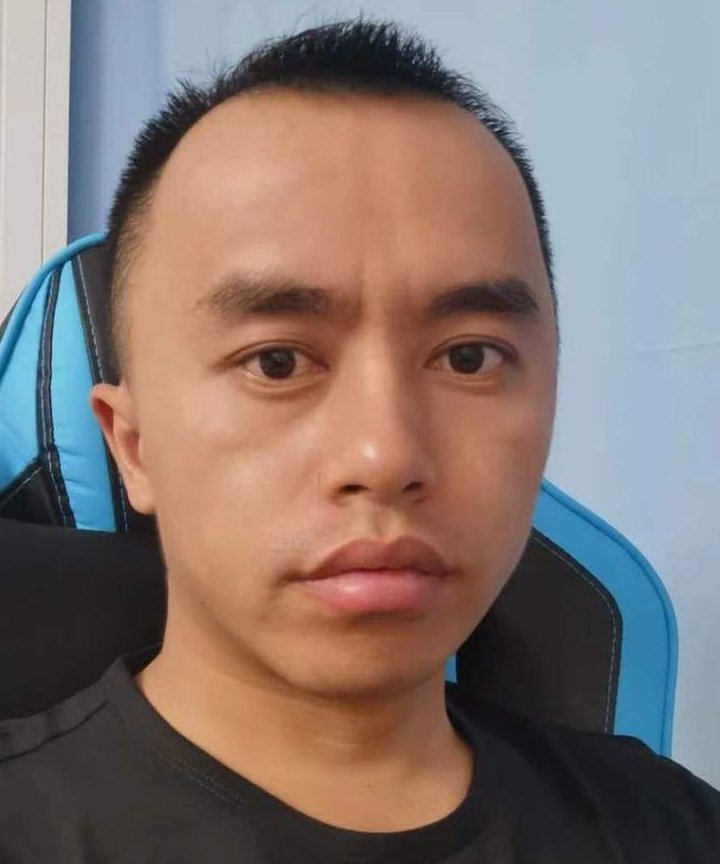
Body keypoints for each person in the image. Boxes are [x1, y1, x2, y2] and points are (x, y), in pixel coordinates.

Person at [1, 17, 718, 863]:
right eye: (276, 361)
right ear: (132, 445)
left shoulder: (676, 828)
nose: (385, 456)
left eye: (469, 357)